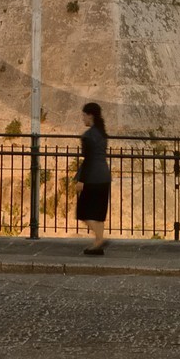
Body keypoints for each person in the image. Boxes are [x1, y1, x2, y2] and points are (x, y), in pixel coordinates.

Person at [76, 101, 111, 255]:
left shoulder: (88, 136)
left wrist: (81, 180)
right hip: (105, 175)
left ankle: (99, 239)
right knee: (98, 213)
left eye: (84, 115)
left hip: (93, 178)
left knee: (83, 212)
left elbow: (88, 159)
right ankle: (97, 244)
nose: (82, 119)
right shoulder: (102, 134)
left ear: (90, 115)